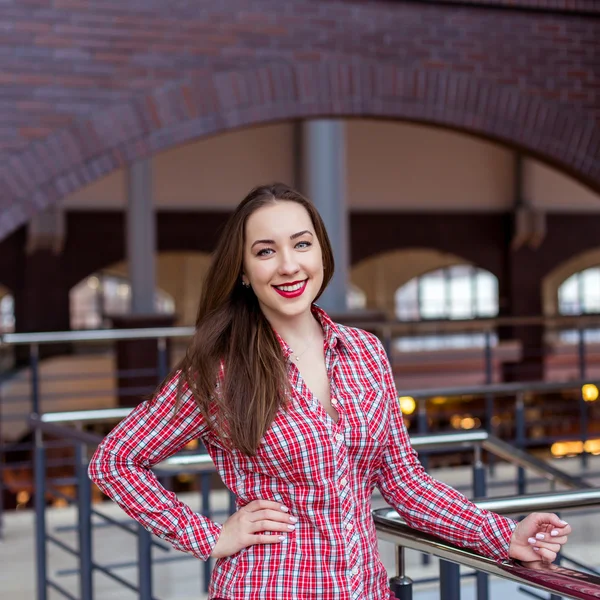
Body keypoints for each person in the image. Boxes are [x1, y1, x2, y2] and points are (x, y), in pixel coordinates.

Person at [89, 183, 571, 600]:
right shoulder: (220, 368)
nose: (288, 265)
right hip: (268, 586)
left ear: (321, 253)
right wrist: (209, 536)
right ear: (242, 270)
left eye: (301, 244)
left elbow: (405, 482)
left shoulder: (364, 352)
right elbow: (114, 461)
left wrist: (504, 536)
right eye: (265, 251)